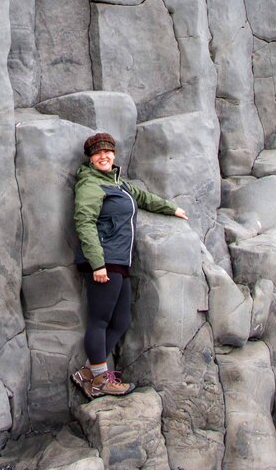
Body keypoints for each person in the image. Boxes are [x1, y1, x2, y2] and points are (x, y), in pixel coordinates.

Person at [70, 131, 188, 399]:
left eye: (107, 152)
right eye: (97, 153)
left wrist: (171, 209)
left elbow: (143, 198)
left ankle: (89, 374)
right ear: (90, 158)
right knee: (100, 320)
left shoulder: (118, 184)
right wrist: (97, 263)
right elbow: (84, 223)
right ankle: (100, 380)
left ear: (114, 154)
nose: (103, 156)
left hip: (120, 262)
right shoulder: (90, 185)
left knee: (121, 321)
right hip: (103, 262)